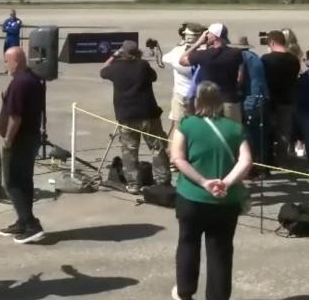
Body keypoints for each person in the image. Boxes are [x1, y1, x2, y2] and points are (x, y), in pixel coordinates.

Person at [170, 82, 252, 300]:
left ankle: (185, 291)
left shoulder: (186, 124)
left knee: (188, 243)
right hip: (226, 200)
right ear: (220, 102)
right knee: (221, 252)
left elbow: (177, 158)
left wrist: (203, 181)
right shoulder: (235, 128)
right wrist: (226, 182)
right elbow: (246, 161)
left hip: (192, 196)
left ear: (197, 101)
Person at [99, 40, 170, 194]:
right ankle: (162, 181)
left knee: (129, 151)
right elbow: (154, 77)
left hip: (126, 116)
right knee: (157, 148)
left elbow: (103, 70)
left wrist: (113, 56)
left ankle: (133, 184)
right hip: (148, 114)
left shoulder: (115, 68)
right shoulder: (143, 65)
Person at [0, 47, 46, 244]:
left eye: (6, 61)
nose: (5, 65)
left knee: (13, 182)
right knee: (24, 180)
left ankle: (31, 224)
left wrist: (8, 140)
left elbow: (15, 117)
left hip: (20, 140)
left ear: (16, 61)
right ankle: (22, 221)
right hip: (31, 137)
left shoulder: (19, 83)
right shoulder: (33, 79)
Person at [179, 23, 244, 122]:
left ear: (214, 37)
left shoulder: (204, 55)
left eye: (208, 34)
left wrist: (198, 43)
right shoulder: (236, 54)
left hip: (209, 103)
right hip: (229, 99)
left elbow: (182, 60)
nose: (206, 36)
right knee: (233, 133)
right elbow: (239, 78)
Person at [261, 30, 301, 167]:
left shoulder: (266, 59)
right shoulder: (294, 60)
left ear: (272, 42)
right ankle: (282, 159)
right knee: (284, 132)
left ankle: (268, 158)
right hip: (287, 100)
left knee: (268, 131)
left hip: (271, 100)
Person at [231, 36, 268, 170]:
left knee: (248, 134)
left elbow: (239, 78)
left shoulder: (242, 57)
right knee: (258, 133)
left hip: (250, 99)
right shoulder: (254, 56)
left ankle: (250, 167)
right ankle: (261, 165)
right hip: (261, 96)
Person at [162, 23, 205, 140]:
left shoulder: (177, 52)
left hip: (181, 94)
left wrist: (180, 45)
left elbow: (163, 59)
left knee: (177, 127)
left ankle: (174, 155)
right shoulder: (207, 53)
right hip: (201, 95)